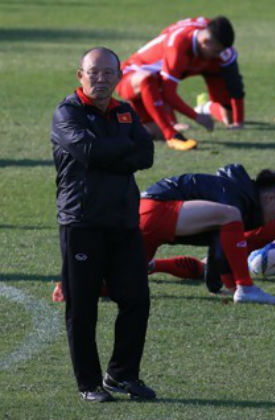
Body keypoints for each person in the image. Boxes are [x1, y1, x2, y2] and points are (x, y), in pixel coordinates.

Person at [51, 47, 155, 402]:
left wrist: (113, 151)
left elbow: (146, 154)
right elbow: (88, 152)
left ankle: (121, 375)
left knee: (137, 300)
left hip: (124, 223)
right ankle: (89, 383)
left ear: (119, 76)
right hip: (82, 222)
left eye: (108, 73)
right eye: (93, 72)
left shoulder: (125, 111)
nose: (100, 79)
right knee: (82, 309)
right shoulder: (67, 112)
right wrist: (122, 152)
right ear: (79, 74)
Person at [139, 164, 275, 304]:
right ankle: (246, 288)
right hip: (155, 209)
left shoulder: (239, 197)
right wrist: (231, 285)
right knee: (231, 214)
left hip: (143, 216)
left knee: (122, 285)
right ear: (270, 198)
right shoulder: (236, 197)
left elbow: (219, 244)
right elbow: (221, 244)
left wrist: (227, 286)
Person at [116, 16, 244, 151]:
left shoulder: (207, 31)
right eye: (216, 51)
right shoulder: (178, 46)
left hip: (153, 91)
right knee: (147, 78)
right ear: (205, 41)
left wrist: (238, 120)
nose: (217, 55)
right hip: (129, 77)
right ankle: (171, 135)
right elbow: (168, 92)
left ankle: (117, 126)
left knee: (147, 133)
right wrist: (197, 117)